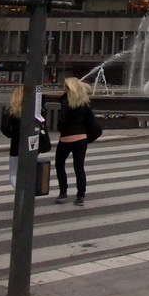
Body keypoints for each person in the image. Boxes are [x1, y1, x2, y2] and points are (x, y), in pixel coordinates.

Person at [55, 77, 95, 206]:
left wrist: (60, 129)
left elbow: (62, 120)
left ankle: (63, 193)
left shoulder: (65, 101)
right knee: (79, 167)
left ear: (68, 87)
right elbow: (90, 121)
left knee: (60, 164)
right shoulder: (84, 102)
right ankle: (80, 196)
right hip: (81, 138)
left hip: (67, 137)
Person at [0, 85, 24, 188]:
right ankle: (26, 190)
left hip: (16, 143)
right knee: (27, 170)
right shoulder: (33, 109)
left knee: (14, 172)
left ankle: (19, 191)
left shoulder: (12, 110)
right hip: (30, 144)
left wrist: (11, 135)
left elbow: (5, 128)